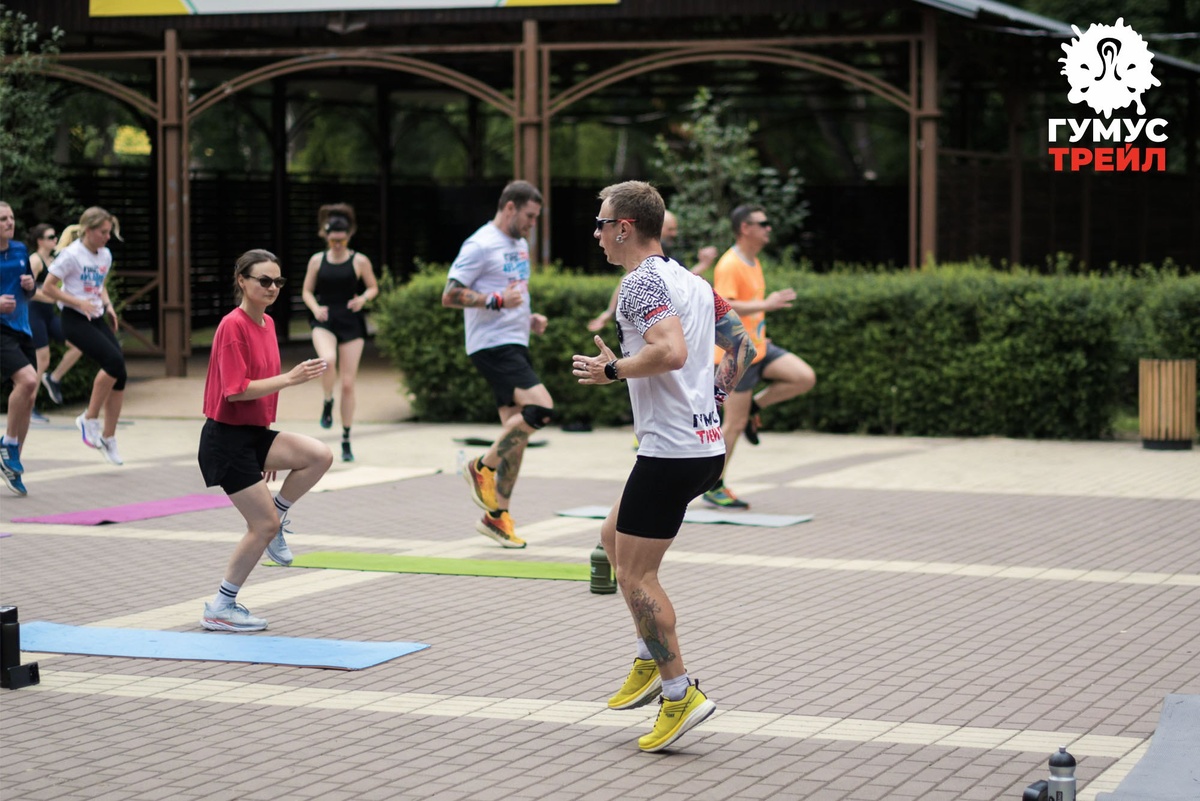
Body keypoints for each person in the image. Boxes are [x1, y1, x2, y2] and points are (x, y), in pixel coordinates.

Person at [572, 181, 755, 753]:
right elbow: (743, 346)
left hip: (670, 453)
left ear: (624, 228)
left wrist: (613, 370)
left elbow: (670, 352)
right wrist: (714, 401)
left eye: (601, 224)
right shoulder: (692, 282)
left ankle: (679, 692)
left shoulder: (639, 283)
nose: (597, 234)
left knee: (636, 578)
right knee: (612, 538)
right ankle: (649, 657)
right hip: (700, 448)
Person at [198, 249, 333, 632]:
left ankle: (280, 511)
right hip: (225, 440)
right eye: (264, 280)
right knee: (263, 527)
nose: (273, 287)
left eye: (278, 281)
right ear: (242, 281)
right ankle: (220, 607)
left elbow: (262, 391)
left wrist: (266, 451)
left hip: (252, 434)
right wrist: (291, 378)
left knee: (319, 455)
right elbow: (236, 391)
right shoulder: (232, 326)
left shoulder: (268, 323)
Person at [442, 180, 552, 549]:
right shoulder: (480, 244)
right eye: (529, 216)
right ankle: (481, 467)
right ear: (509, 208)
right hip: (492, 345)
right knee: (542, 408)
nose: (532, 224)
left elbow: (513, 292)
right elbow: (450, 294)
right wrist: (496, 301)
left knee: (515, 437)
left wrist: (528, 318)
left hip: (514, 341)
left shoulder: (519, 244)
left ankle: (496, 516)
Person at [702, 204, 816, 510]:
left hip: (759, 347)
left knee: (803, 377)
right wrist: (768, 303)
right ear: (745, 228)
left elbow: (750, 310)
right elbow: (725, 305)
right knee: (733, 425)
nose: (768, 228)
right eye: (763, 223)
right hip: (735, 354)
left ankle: (755, 407)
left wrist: (763, 331)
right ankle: (713, 485)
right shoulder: (730, 264)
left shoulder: (753, 260)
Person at [40, 207, 128, 466]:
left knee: (120, 373)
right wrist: (78, 302)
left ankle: (108, 438)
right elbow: (49, 288)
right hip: (74, 319)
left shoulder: (105, 254)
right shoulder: (71, 255)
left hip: (95, 316)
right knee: (113, 362)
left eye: (109, 232)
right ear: (88, 231)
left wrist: (108, 306)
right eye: (103, 232)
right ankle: (88, 418)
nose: (108, 237)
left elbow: (100, 285)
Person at [301, 203, 378, 462]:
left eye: (341, 241)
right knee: (327, 360)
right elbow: (306, 291)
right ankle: (327, 400)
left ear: (348, 236)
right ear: (326, 236)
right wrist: (315, 308)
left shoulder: (359, 260)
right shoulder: (317, 260)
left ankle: (346, 437)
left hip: (350, 321)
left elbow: (373, 287)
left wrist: (363, 299)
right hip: (325, 318)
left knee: (347, 384)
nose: (337, 245)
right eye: (333, 240)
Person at [587, 210, 717, 332]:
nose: (674, 234)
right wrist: (609, 312)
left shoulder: (663, 262)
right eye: (670, 229)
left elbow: (683, 279)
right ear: (658, 228)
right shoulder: (649, 267)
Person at [0, 201, 37, 496]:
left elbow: (31, 291)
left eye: (11, 217)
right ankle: (8, 444)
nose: (9, 222)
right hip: (0, 330)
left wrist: (30, 286)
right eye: (3, 219)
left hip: (22, 328)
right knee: (28, 380)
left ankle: (12, 463)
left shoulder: (20, 250)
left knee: (30, 395)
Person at [27, 223, 83, 411]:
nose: (55, 240)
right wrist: (50, 296)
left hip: (50, 314)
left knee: (77, 344)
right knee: (42, 360)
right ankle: (29, 407)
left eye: (55, 237)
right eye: (50, 237)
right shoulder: (35, 261)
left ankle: (54, 378)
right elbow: (26, 290)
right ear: (40, 241)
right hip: (35, 313)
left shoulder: (53, 260)